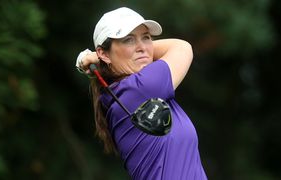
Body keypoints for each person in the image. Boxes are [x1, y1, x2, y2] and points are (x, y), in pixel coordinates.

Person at [76, 7, 207, 180]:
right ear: (104, 53)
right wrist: (96, 56)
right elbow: (182, 47)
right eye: (128, 40)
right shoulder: (138, 90)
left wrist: (102, 57)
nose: (142, 47)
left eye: (146, 37)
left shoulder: (123, 93)